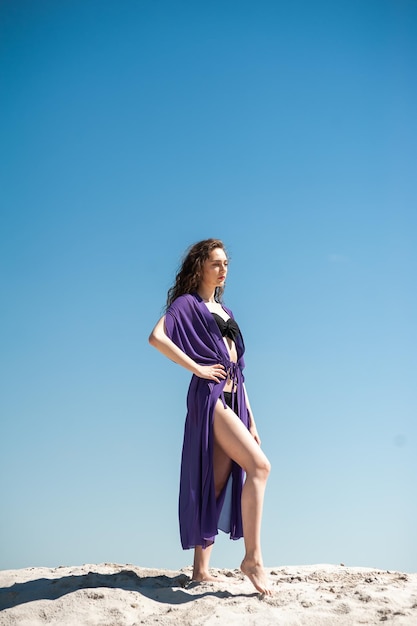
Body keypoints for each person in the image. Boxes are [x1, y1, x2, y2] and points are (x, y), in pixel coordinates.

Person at [149, 238, 271, 595]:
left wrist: (251, 419)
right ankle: (253, 558)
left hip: (235, 399)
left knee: (216, 482)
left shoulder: (227, 312)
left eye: (226, 264)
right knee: (260, 467)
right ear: (200, 266)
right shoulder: (187, 305)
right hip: (210, 398)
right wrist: (198, 368)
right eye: (216, 263)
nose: (223, 270)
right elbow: (157, 338)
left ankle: (200, 571)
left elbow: (239, 369)